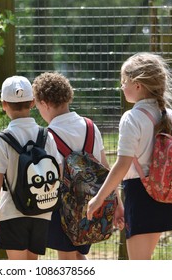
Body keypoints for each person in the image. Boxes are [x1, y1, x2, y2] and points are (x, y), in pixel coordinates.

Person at [87, 52, 172, 260]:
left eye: (124, 81)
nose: (121, 86)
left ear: (138, 85)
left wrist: (99, 198)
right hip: (164, 190)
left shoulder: (131, 118)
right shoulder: (169, 115)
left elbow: (122, 165)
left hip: (141, 192)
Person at [32, 71, 124, 260]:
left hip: (64, 210)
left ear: (44, 103)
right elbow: (106, 169)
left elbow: (53, 176)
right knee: (77, 256)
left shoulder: (47, 135)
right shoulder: (90, 126)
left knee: (66, 259)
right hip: (92, 204)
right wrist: (117, 204)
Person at [0, 75, 63, 260]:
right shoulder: (46, 135)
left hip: (12, 211)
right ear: (33, 102)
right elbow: (58, 169)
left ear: (3, 104)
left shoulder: (1, 140)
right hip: (42, 211)